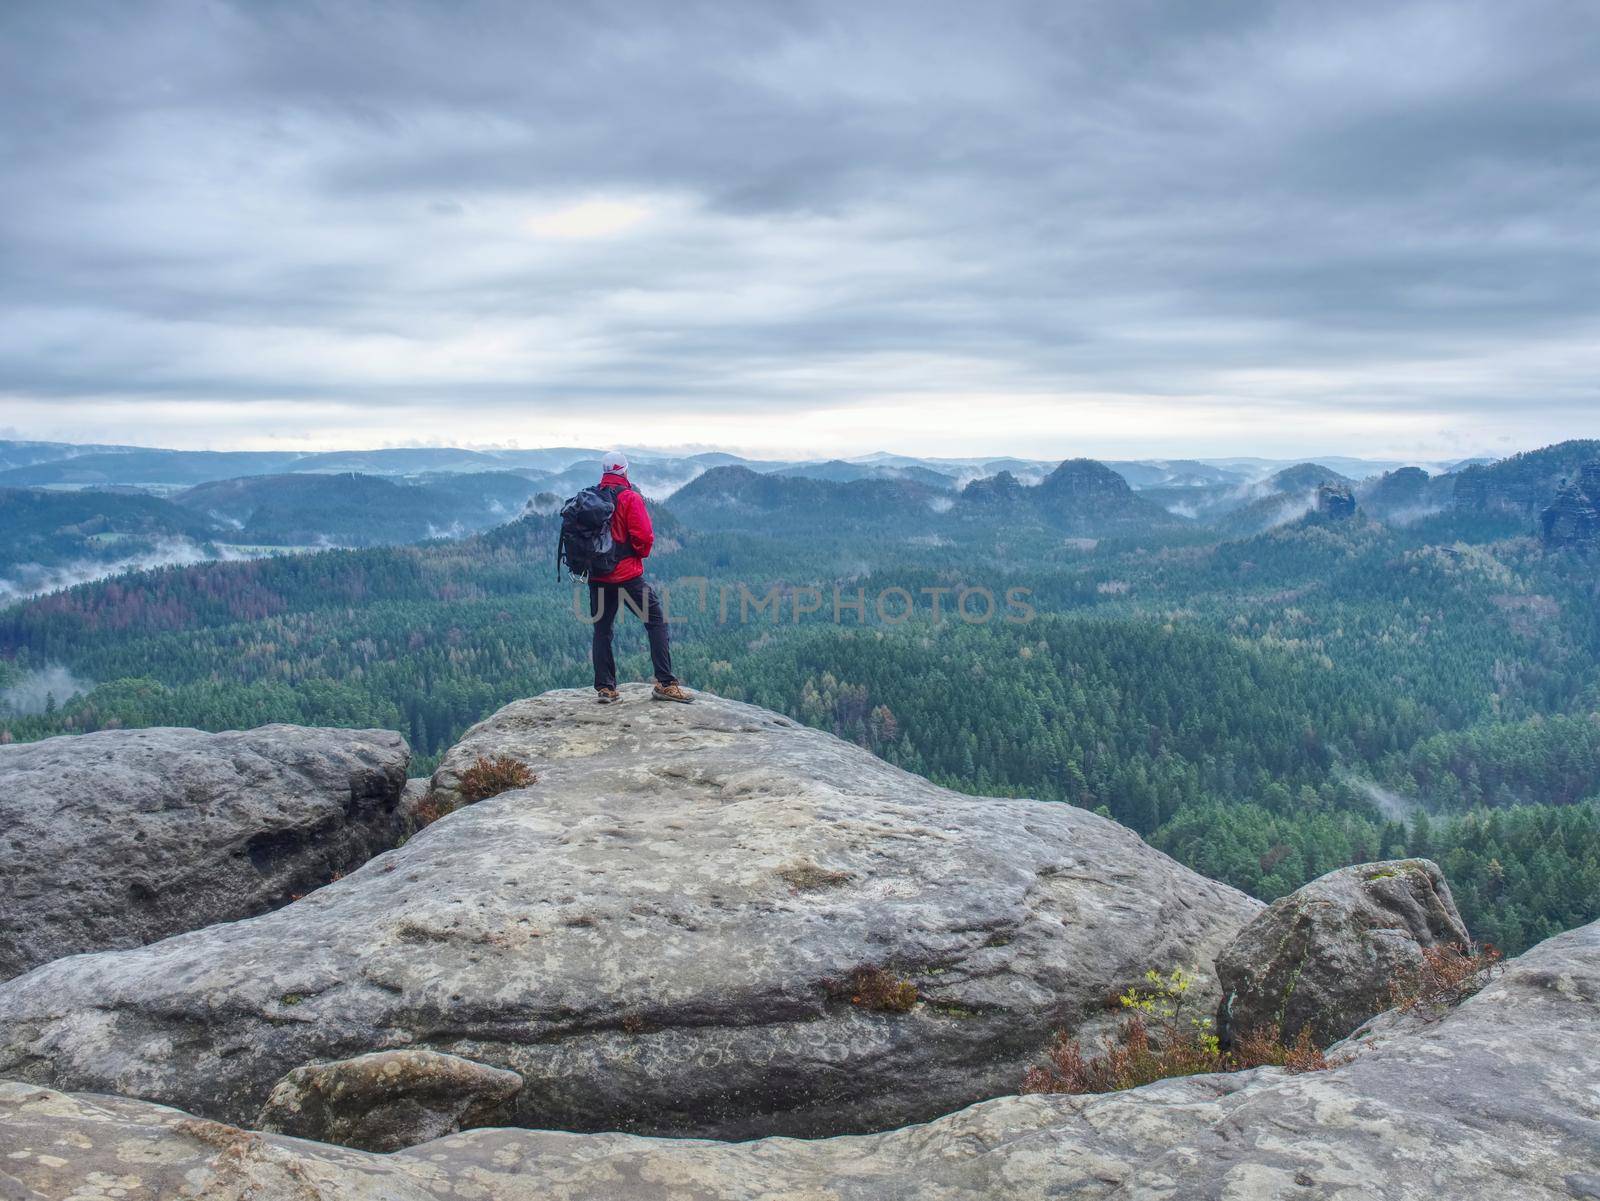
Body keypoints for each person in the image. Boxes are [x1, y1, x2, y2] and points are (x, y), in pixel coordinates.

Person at [587, 451, 692, 704]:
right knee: (656, 622)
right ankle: (665, 683)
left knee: (602, 630)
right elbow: (644, 537)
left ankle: (606, 689)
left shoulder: (591, 497)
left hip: (598, 576)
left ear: (604, 472)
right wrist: (637, 556)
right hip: (626, 576)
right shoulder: (629, 498)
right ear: (625, 470)